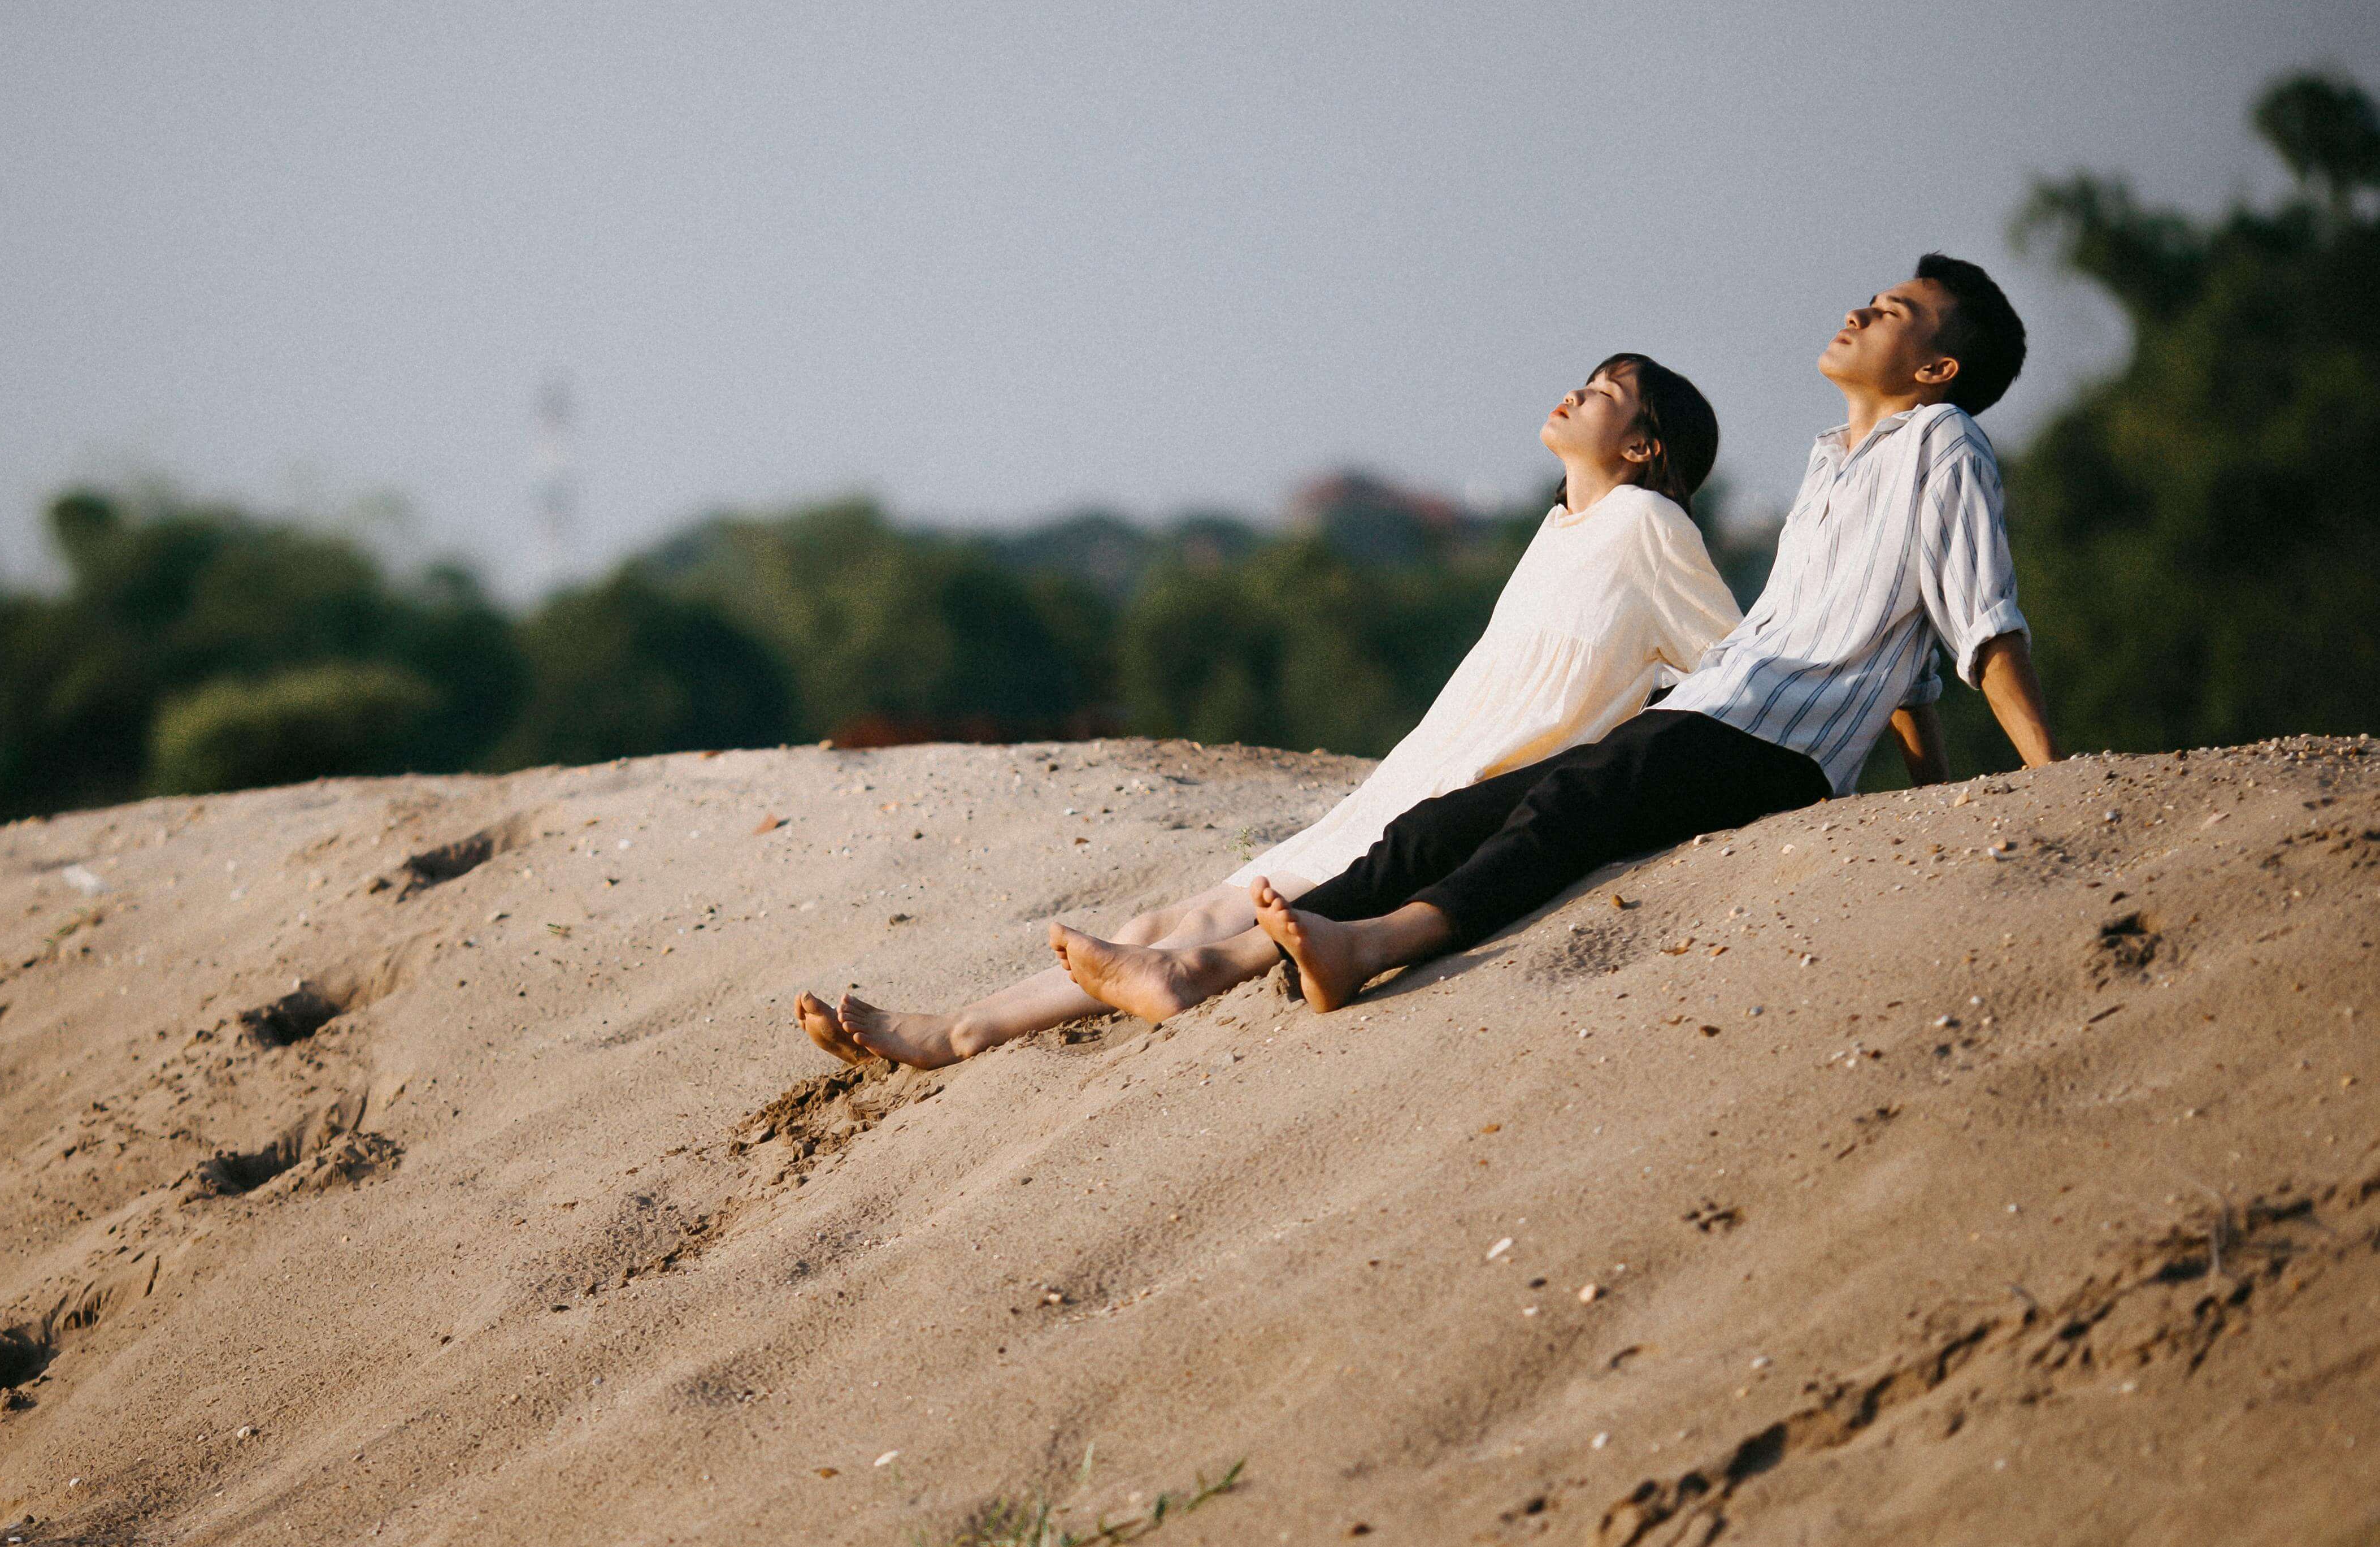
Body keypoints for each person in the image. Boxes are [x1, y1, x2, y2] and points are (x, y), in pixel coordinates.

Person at [1053, 253, 2064, 1022]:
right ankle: (1209, 965)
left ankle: (1372, 947)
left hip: (1774, 746)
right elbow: (1908, 660)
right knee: (1446, 821)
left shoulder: (1947, 442)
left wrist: (2049, 781)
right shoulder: (1833, 460)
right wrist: (1931, 799)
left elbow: (1981, 626)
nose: (1859, 311)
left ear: (1937, 366)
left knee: (1571, 802)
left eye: (1894, 313)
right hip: (1717, 711)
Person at [798, 353, 1743, 1068]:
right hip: (1416, 771)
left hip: (1473, 796)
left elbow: (1736, 671)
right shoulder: (1559, 531)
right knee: (1171, 909)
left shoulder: (1652, 526)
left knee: (1214, 916)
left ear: (1643, 443)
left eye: (1609, 390)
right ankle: (961, 1025)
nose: (1578, 392)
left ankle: (956, 1032)